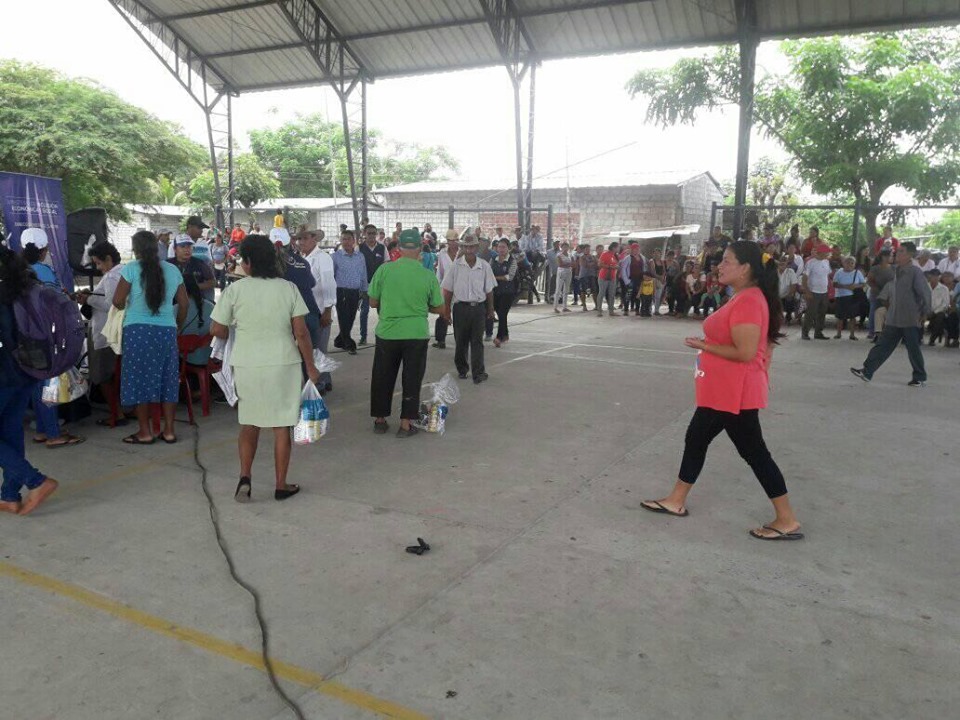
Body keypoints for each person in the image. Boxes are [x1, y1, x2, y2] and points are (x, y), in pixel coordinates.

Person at [641, 241, 803, 541]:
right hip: (723, 391)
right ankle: (676, 499)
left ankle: (786, 519)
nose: (719, 266)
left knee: (754, 452)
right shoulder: (745, 296)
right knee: (697, 438)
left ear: (746, 268)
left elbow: (745, 352)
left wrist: (704, 345)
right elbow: (762, 347)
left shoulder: (749, 301)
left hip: (734, 394)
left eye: (727, 261)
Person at [210, 235, 320, 502]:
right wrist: (311, 367)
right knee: (281, 426)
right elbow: (301, 333)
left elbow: (217, 329)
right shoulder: (288, 288)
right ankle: (281, 485)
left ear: (248, 262)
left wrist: (238, 327)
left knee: (249, 423)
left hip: (247, 363)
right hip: (284, 363)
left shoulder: (234, 290)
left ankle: (245, 478)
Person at [112, 231, 189, 444]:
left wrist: (127, 305)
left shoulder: (131, 269)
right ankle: (169, 431)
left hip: (136, 331)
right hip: (166, 331)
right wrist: (178, 326)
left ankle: (145, 432)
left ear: (136, 249)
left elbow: (117, 300)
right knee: (168, 378)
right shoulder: (172, 270)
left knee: (139, 379)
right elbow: (184, 304)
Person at [368, 229, 446, 438]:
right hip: (416, 334)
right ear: (420, 249)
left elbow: (373, 301)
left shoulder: (385, 270)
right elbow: (439, 308)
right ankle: (405, 424)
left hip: (387, 333)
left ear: (398, 248)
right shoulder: (427, 275)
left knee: (382, 376)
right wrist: (420, 306)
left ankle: (380, 420)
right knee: (412, 378)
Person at [0, 247, 60, 515]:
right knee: (11, 432)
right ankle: (9, 496)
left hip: (3, 373)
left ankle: (36, 481)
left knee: (10, 432)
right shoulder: (22, 287)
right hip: (25, 370)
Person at [21, 230, 84, 449]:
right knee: (49, 383)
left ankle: (42, 429)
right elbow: (57, 303)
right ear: (45, 250)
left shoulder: (19, 271)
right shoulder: (44, 271)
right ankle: (53, 434)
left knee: (37, 382)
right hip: (47, 334)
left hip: (26, 334)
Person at [851, 242, 931, 387]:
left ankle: (920, 377)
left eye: (901, 251)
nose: (896, 253)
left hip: (910, 317)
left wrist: (925, 312)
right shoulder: (895, 270)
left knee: (913, 348)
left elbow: (925, 294)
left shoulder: (915, 272)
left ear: (910, 255)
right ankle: (867, 371)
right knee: (882, 345)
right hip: (894, 316)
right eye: (897, 251)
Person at [76, 242, 126, 426]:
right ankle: (123, 410)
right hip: (114, 331)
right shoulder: (123, 272)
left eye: (98, 263)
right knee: (114, 375)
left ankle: (116, 414)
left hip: (105, 332)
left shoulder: (113, 276)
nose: (98, 268)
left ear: (108, 259)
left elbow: (112, 304)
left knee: (103, 377)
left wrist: (88, 299)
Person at [441, 234, 496, 384]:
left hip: (478, 309)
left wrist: (490, 309)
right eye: (466, 247)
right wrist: (446, 310)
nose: (469, 249)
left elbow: (489, 290)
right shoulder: (456, 266)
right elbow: (448, 290)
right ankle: (462, 369)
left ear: (477, 248)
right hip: (460, 308)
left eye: (472, 247)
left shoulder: (484, 266)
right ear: (463, 248)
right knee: (461, 341)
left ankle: (478, 373)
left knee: (477, 341)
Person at [297, 229, 336, 392]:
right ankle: (324, 380)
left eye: (305, 238)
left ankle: (321, 383)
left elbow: (329, 284)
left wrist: (327, 310)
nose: (301, 242)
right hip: (306, 311)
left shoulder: (323, 258)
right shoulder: (302, 259)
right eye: (299, 239)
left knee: (319, 349)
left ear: (314, 239)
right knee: (313, 348)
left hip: (320, 310)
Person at [332, 229, 368, 355]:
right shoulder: (335, 256)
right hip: (341, 291)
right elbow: (331, 275)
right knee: (343, 318)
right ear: (340, 241)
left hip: (355, 292)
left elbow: (363, 274)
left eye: (348, 239)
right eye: (343, 239)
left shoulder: (360, 256)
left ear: (354, 241)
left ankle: (339, 340)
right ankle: (349, 344)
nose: (346, 241)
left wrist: (364, 290)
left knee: (351, 317)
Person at [358, 223, 386, 346]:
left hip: (380, 286)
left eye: (374, 233)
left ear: (376, 234)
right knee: (364, 311)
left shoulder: (382, 248)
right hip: (365, 285)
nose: (371, 236)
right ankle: (363, 337)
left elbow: (387, 264)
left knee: (383, 311)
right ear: (364, 234)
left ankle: (383, 336)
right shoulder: (359, 248)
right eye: (369, 233)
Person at [432, 230, 460, 350]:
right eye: (449, 240)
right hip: (445, 287)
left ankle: (460, 341)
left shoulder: (462, 253)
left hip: (460, 287)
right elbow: (440, 272)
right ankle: (440, 340)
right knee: (443, 313)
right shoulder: (442, 254)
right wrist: (438, 288)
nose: (452, 243)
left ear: (457, 241)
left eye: (454, 240)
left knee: (459, 315)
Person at [167, 235, 215, 303]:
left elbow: (213, 282)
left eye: (189, 246)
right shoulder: (167, 265)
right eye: (182, 246)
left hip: (195, 301)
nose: (186, 250)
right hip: (171, 301)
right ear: (175, 249)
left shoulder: (200, 263)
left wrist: (194, 287)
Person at [800, 243, 832, 340]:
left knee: (822, 313)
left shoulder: (826, 262)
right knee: (811, 313)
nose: (828, 254)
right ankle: (805, 332)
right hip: (813, 291)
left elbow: (828, 275)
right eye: (826, 253)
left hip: (824, 291)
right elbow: (804, 278)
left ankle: (818, 332)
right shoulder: (811, 263)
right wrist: (807, 291)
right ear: (821, 252)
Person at [490, 239, 518, 345]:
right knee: (501, 314)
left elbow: (509, 277)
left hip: (508, 292)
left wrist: (495, 278)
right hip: (495, 291)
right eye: (499, 247)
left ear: (508, 248)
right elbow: (488, 272)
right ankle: (505, 335)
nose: (501, 249)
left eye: (503, 247)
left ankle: (499, 337)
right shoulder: (493, 259)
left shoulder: (512, 261)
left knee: (502, 313)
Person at [831, 256, 866, 340]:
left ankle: (852, 334)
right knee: (840, 316)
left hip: (853, 297)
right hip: (841, 296)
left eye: (852, 263)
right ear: (843, 263)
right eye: (847, 263)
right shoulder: (839, 272)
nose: (849, 265)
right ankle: (838, 334)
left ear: (854, 264)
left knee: (852, 316)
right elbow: (834, 284)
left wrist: (855, 286)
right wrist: (846, 286)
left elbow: (863, 284)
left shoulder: (858, 272)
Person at [925, 269, 950, 345]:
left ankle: (932, 340)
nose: (935, 278)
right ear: (929, 276)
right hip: (925, 310)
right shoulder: (924, 286)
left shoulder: (944, 289)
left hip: (937, 312)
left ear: (939, 277)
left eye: (937, 276)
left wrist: (934, 312)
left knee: (940, 316)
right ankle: (917, 337)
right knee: (915, 314)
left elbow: (945, 304)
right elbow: (920, 300)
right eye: (933, 276)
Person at [597, 242, 620, 317]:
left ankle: (611, 311)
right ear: (613, 247)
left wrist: (616, 267)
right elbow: (600, 264)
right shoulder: (605, 254)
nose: (618, 248)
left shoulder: (615, 255)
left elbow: (616, 264)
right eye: (617, 247)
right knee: (602, 293)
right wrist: (610, 267)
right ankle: (599, 311)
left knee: (612, 294)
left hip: (612, 277)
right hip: (604, 276)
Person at [777, 255, 800, 324]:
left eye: (784, 263)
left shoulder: (791, 272)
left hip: (787, 295)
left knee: (790, 298)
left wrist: (790, 294)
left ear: (787, 264)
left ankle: (788, 317)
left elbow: (793, 285)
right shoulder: (774, 272)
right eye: (780, 263)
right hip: (776, 295)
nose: (782, 265)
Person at [553, 242, 574, 314]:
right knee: (558, 289)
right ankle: (555, 307)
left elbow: (574, 264)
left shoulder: (570, 255)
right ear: (561, 248)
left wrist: (567, 264)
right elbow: (560, 264)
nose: (565, 248)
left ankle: (564, 307)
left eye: (566, 247)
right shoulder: (559, 255)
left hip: (569, 272)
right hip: (561, 272)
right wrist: (569, 264)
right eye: (564, 247)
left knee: (566, 290)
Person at [577, 244, 599, 312]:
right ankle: (584, 306)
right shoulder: (581, 257)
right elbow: (585, 265)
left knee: (594, 291)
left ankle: (597, 305)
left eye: (589, 249)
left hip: (592, 275)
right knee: (583, 291)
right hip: (583, 276)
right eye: (586, 249)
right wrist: (593, 263)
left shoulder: (593, 256)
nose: (588, 250)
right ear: (583, 250)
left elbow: (597, 264)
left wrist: (592, 263)